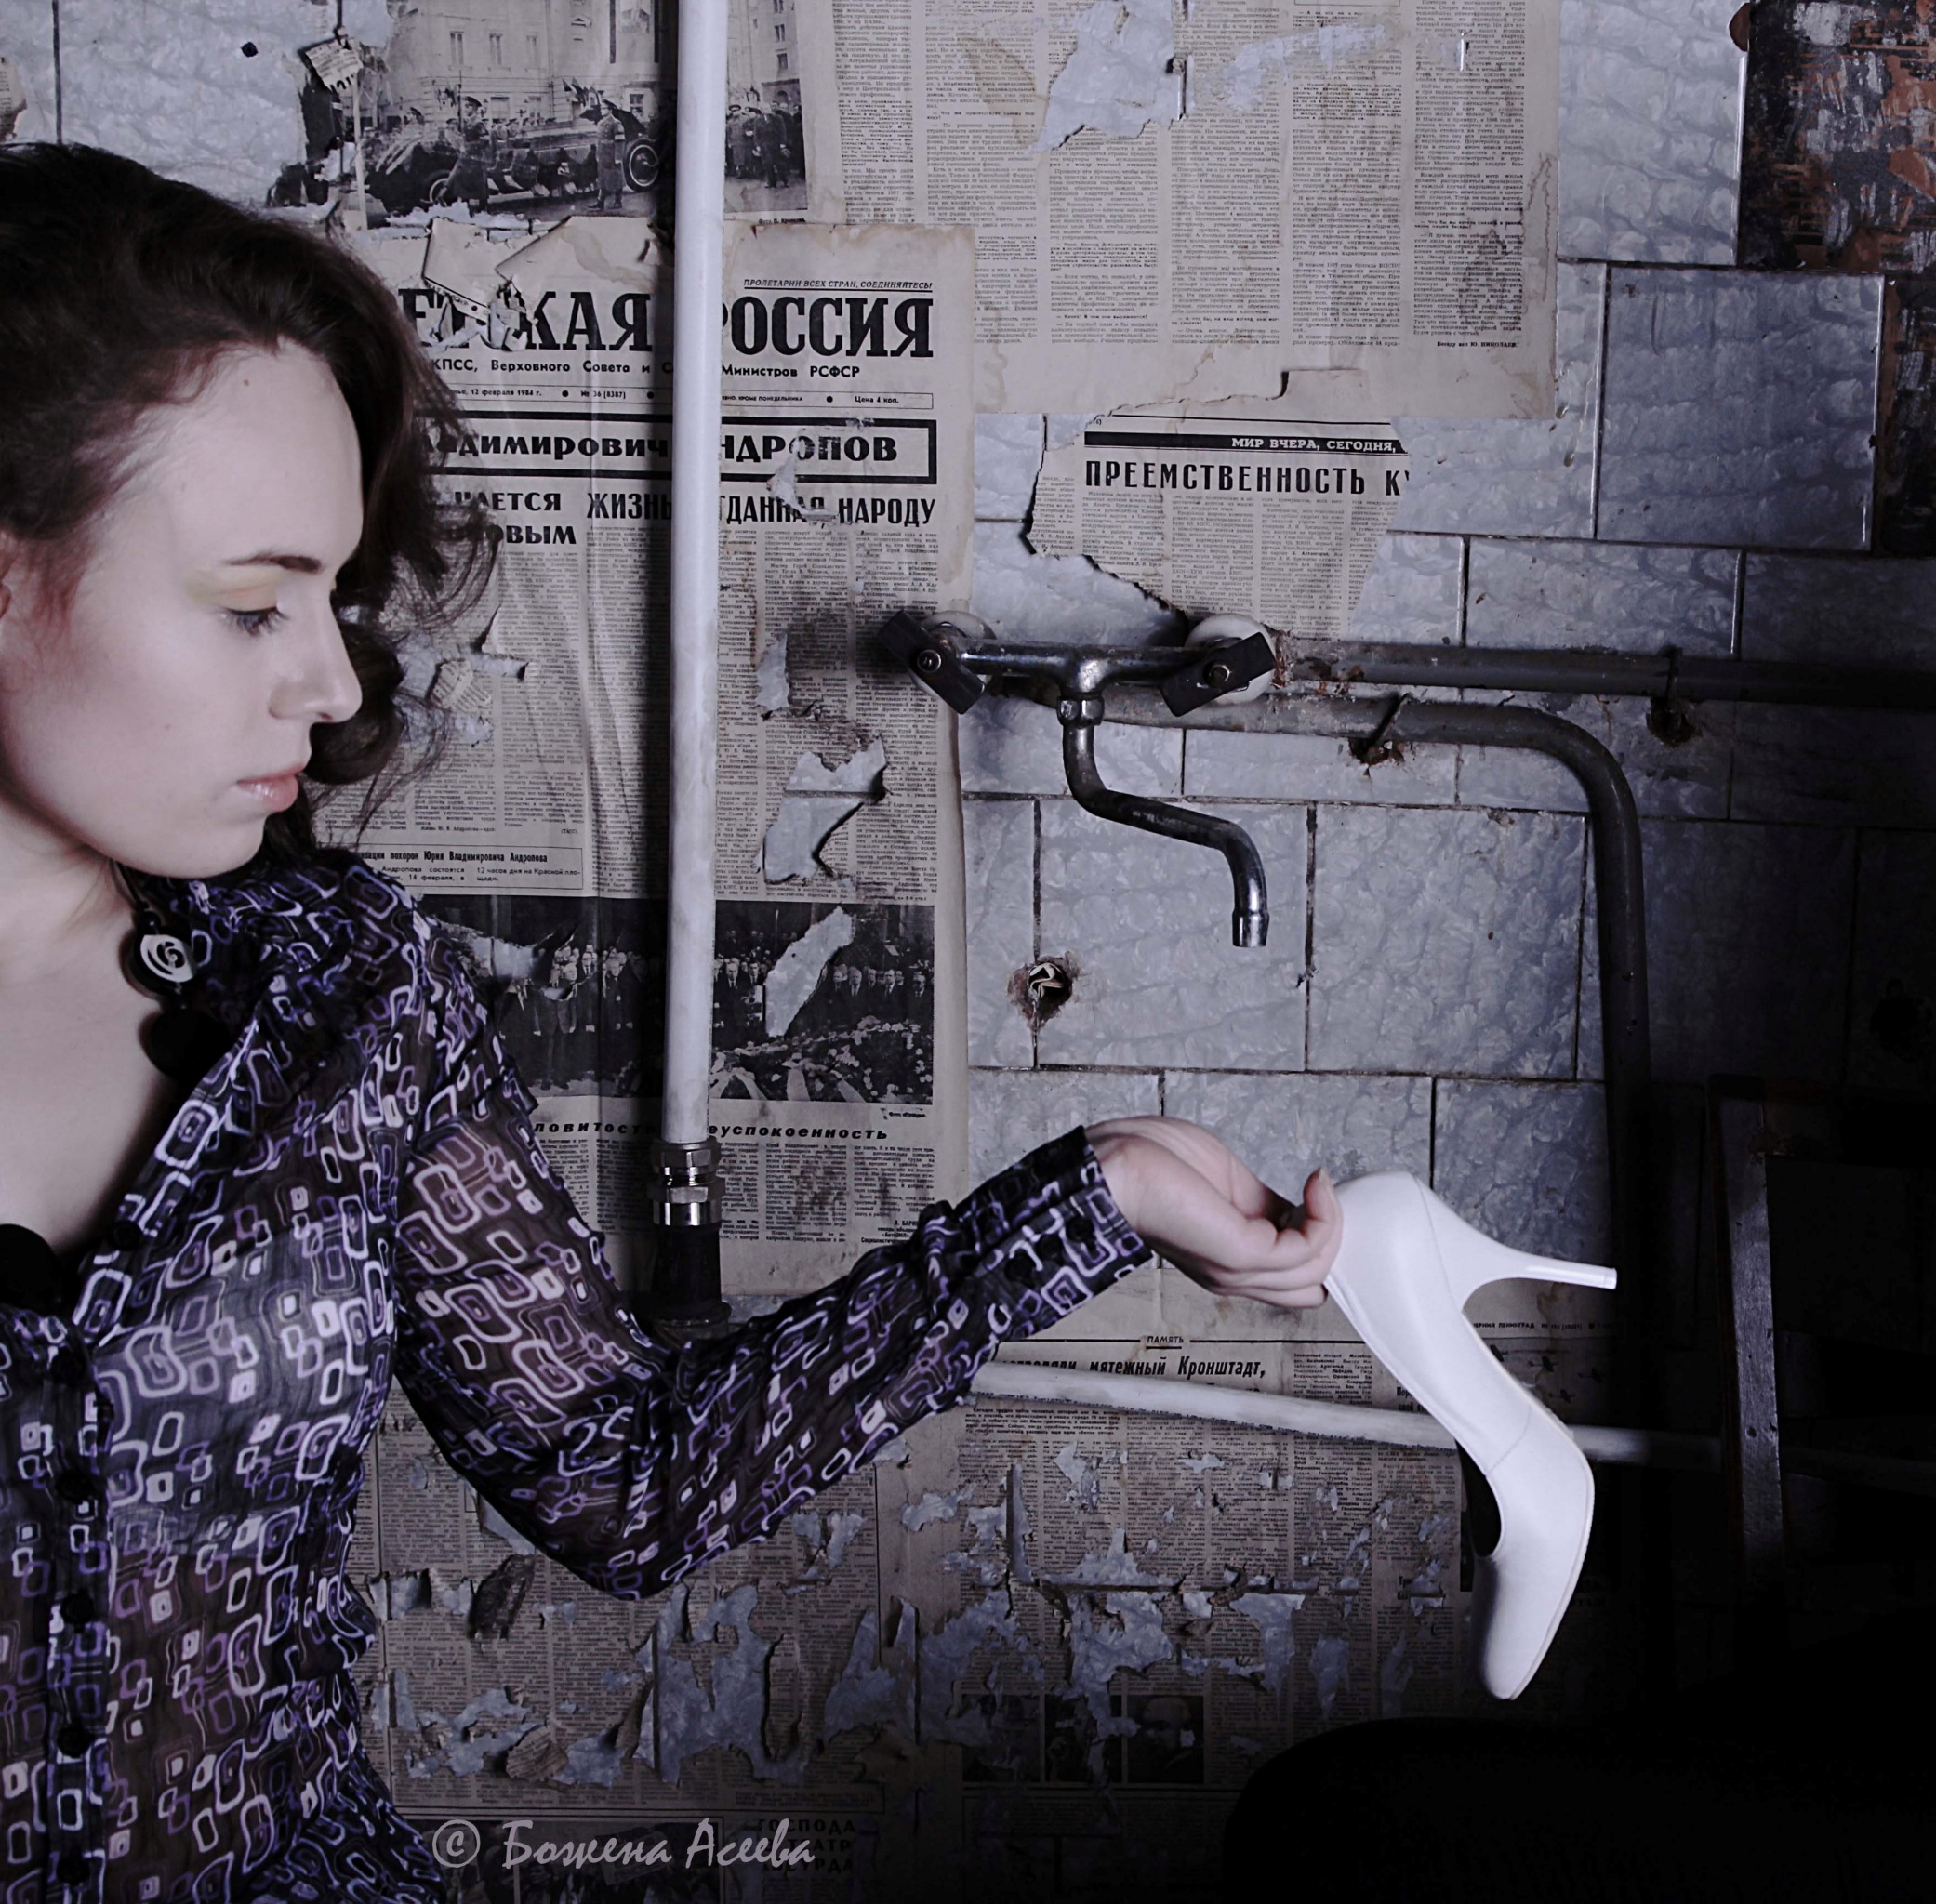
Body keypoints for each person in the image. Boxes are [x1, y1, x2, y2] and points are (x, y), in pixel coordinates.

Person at [0, 143, 1342, 1901]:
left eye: (331, 600)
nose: (327, 683)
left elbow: (622, 1480)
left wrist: (1096, 1196)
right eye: (254, 605)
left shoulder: (345, 998)